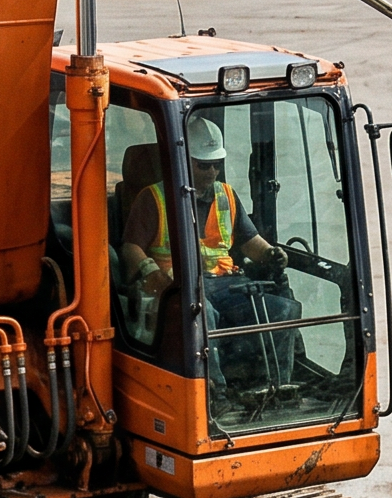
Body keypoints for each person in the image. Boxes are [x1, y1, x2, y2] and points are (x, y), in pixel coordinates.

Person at [120, 117, 295, 389]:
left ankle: (275, 387)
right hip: (178, 287)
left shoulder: (226, 195)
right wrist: (150, 272)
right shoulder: (153, 198)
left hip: (228, 284)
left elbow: (251, 241)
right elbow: (130, 248)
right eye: (204, 165)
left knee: (282, 309)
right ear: (182, 159)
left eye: (217, 164)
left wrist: (272, 253)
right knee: (202, 314)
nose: (212, 171)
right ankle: (215, 393)